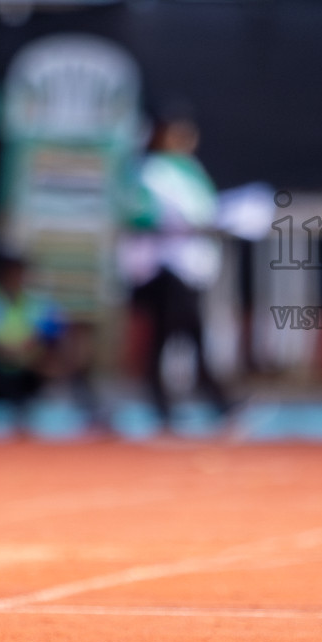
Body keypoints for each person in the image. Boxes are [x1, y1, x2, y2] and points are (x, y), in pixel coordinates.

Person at [121, 108, 235, 431]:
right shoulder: (150, 172)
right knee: (181, 335)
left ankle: (179, 406)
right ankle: (211, 401)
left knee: (178, 336)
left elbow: (204, 209)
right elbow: (140, 214)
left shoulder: (188, 169)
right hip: (163, 269)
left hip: (189, 266)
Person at [0, 254, 100, 433]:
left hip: (26, 368)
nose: (18, 280)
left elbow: (60, 331)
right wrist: (26, 354)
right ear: (1, 277)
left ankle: (89, 414)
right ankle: (11, 415)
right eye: (14, 275)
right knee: (1, 374)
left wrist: (62, 363)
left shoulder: (35, 304)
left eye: (21, 275)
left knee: (61, 354)